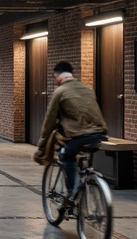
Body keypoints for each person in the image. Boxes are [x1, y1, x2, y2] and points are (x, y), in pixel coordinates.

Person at [33, 61, 108, 201]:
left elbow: (49, 122)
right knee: (83, 159)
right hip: (99, 135)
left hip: (78, 136)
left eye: (55, 77)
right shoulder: (88, 89)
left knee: (65, 156)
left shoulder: (59, 92)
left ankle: (71, 191)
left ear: (58, 77)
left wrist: (41, 147)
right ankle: (86, 179)